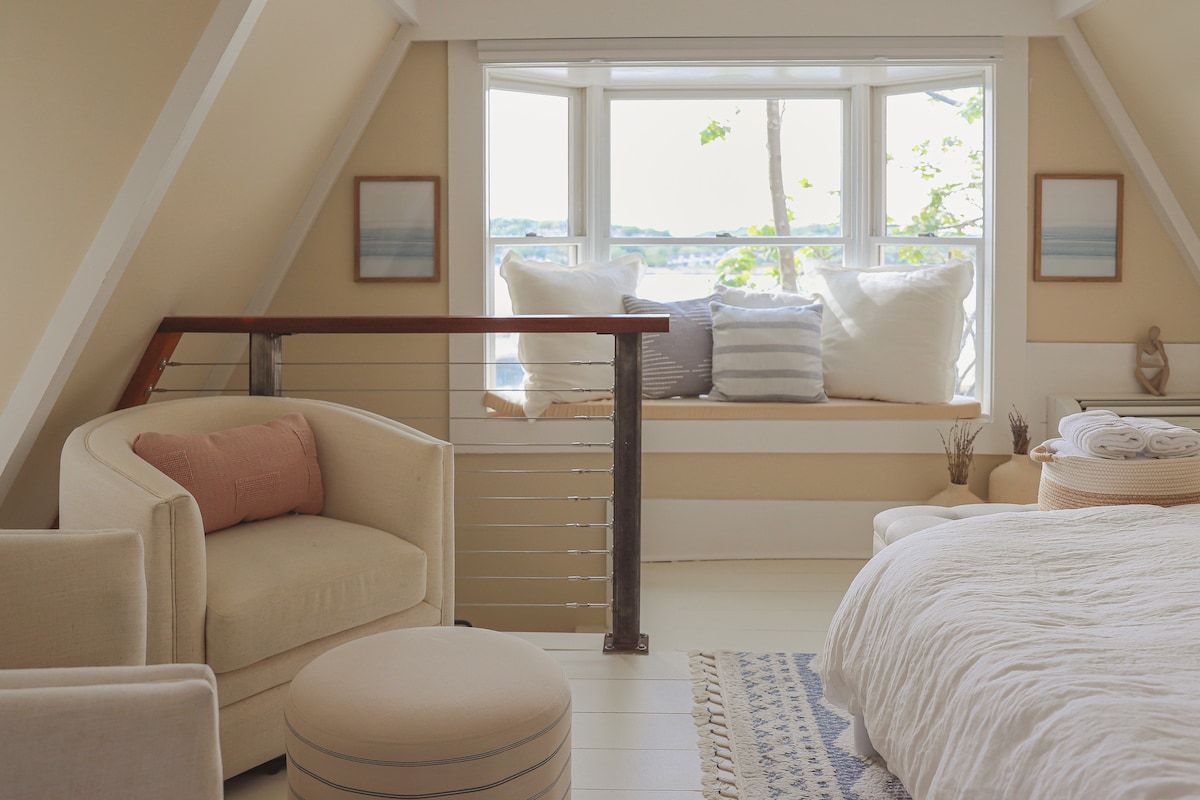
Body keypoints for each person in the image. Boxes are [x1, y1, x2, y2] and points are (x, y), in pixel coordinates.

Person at [1136, 326, 1170, 396]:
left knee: (1167, 368)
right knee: (1137, 370)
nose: (1153, 335)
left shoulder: (1159, 344)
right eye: (1152, 332)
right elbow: (1139, 363)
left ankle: (1161, 390)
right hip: (1146, 385)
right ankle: (1154, 392)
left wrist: (1159, 347)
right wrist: (1157, 365)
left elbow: (1166, 362)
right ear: (1149, 332)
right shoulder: (1141, 345)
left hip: (1155, 382)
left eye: (1156, 334)